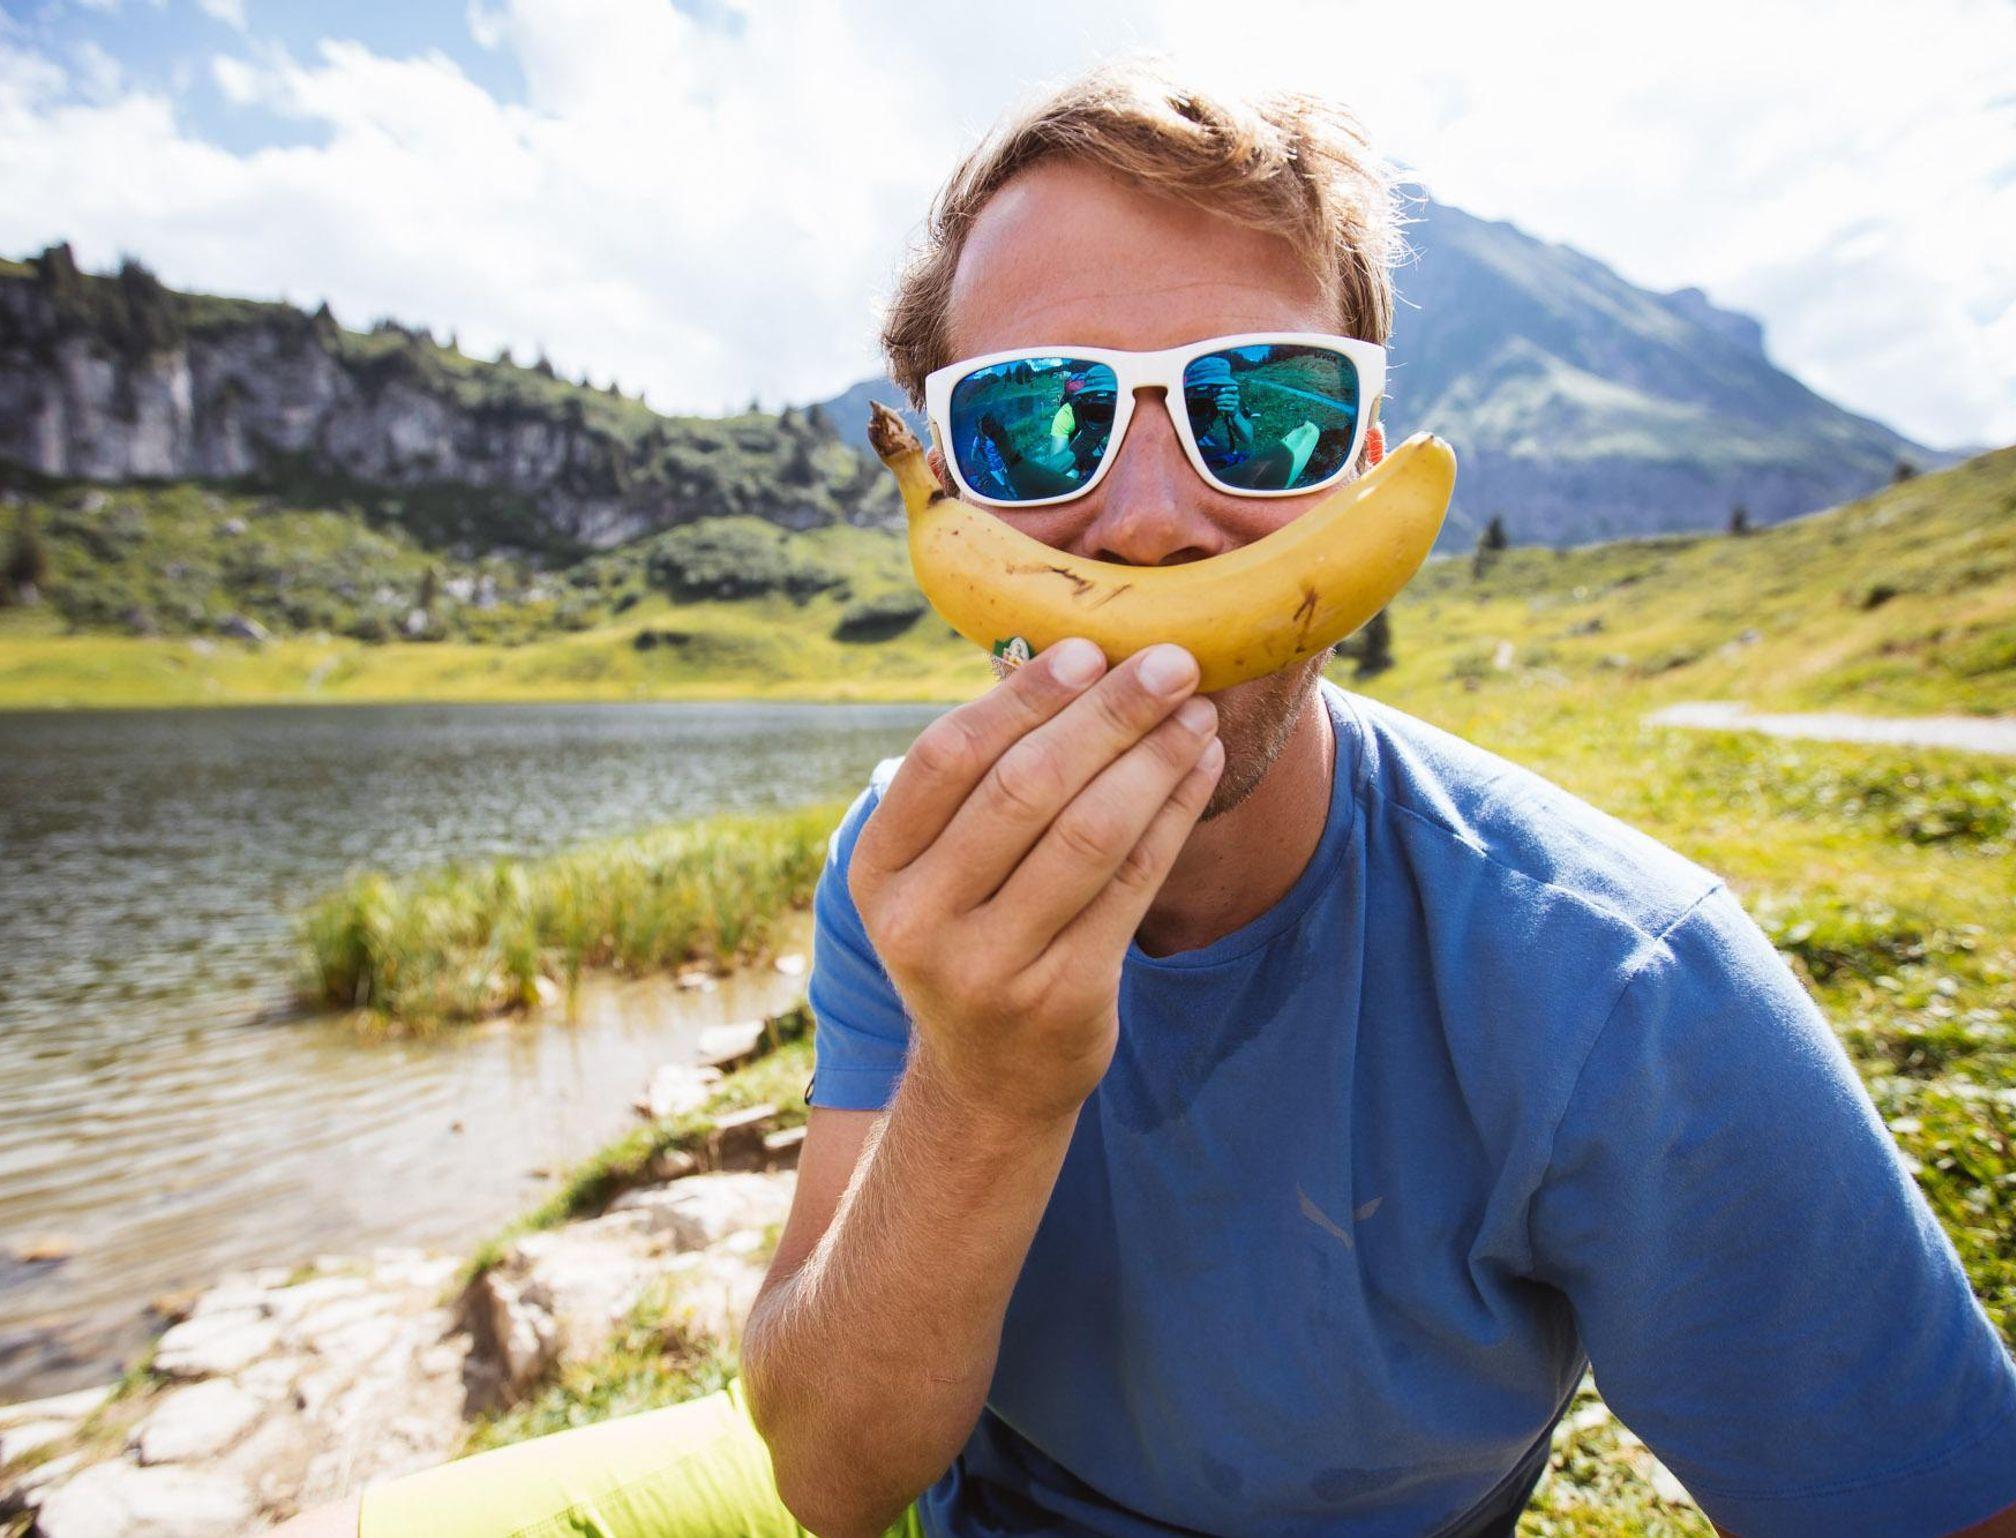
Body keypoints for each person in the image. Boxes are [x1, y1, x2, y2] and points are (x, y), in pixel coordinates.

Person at [274, 56, 2016, 1538]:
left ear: (1362, 471)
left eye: (1266, 412)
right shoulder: (904, 868)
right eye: (1038, 423)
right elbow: (832, 1472)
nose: (1155, 523)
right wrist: (985, 1086)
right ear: (947, 488)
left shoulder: (1619, 983)